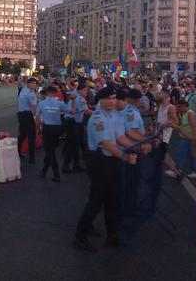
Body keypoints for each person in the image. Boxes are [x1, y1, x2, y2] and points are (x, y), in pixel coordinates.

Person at [74, 87, 138, 252]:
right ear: (100, 100)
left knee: (113, 200)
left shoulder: (115, 116)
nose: (112, 101)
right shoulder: (97, 119)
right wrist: (125, 157)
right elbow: (106, 144)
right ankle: (80, 235)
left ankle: (112, 234)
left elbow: (120, 138)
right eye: (108, 98)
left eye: (114, 98)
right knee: (96, 201)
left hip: (113, 161)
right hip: (99, 161)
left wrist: (138, 147)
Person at [36, 86, 73, 182]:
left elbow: (38, 118)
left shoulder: (41, 103)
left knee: (50, 152)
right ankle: (44, 171)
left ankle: (56, 174)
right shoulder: (60, 103)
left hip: (47, 129)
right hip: (57, 130)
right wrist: (73, 101)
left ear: (47, 93)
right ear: (56, 93)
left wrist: (38, 130)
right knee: (50, 151)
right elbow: (72, 111)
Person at [62, 83, 91, 173]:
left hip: (76, 123)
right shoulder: (79, 99)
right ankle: (66, 166)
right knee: (72, 145)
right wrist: (99, 113)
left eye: (87, 90)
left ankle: (76, 164)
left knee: (76, 145)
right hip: (72, 123)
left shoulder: (80, 98)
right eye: (85, 90)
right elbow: (86, 111)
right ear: (79, 90)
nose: (87, 92)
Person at [171, 99, 196, 179]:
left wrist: (195, 138)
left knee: (180, 152)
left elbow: (194, 127)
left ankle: (177, 170)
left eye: (179, 107)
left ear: (184, 106)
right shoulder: (185, 113)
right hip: (186, 136)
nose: (178, 109)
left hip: (188, 137)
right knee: (190, 155)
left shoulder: (190, 114)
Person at [17, 77, 39, 163]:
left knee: (22, 135)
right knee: (32, 136)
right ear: (28, 84)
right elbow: (34, 107)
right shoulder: (31, 93)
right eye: (32, 83)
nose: (34, 85)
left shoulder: (23, 90)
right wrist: (37, 115)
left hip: (20, 114)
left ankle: (18, 152)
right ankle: (32, 158)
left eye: (35, 83)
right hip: (27, 115)